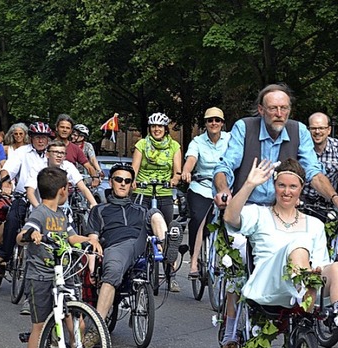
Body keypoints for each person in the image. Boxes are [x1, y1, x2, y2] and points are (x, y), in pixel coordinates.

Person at [218, 158, 338, 348]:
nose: (287, 192)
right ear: (274, 186)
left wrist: (317, 270)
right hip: (268, 283)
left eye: (292, 186)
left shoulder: (314, 225)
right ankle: (304, 298)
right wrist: (249, 184)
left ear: (301, 189)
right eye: (281, 185)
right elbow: (230, 218)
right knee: (297, 247)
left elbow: (321, 264)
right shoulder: (259, 214)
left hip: (305, 284)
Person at [213, 84, 338, 215]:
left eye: (284, 108)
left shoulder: (300, 131)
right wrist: (223, 190)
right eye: (273, 108)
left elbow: (313, 172)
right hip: (245, 207)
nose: (279, 114)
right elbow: (225, 166)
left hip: (282, 211)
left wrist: (337, 201)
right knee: (236, 241)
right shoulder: (244, 127)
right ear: (261, 110)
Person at [16, 166, 92, 348]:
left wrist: (88, 239)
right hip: (40, 276)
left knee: (75, 323)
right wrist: (30, 235)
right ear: (62, 190)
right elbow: (24, 234)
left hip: (62, 274)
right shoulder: (40, 214)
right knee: (38, 327)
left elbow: (71, 237)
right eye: (68, 187)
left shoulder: (61, 214)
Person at [85, 163, 183, 325]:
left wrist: (157, 243)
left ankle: (166, 246)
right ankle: (98, 329)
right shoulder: (100, 210)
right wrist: (92, 263)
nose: (123, 183)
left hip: (140, 243)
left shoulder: (140, 210)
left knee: (154, 213)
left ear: (132, 185)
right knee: (112, 273)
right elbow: (93, 239)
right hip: (115, 246)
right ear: (110, 182)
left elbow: (150, 230)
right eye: (118, 179)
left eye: (127, 181)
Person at [132, 112, 182, 292]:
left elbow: (177, 170)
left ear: (165, 128)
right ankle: (138, 269)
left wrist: (175, 180)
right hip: (143, 192)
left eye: (160, 126)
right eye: (153, 126)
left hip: (164, 191)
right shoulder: (142, 144)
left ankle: (172, 275)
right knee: (139, 230)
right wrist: (133, 180)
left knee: (168, 235)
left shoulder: (174, 146)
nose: (156, 129)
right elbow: (134, 168)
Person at [0, 122, 53, 267]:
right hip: (23, 196)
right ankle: (4, 255)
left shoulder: (52, 154)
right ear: (31, 138)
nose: (41, 141)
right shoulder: (22, 152)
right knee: (13, 219)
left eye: (44, 138)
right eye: (37, 137)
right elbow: (8, 170)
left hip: (47, 199)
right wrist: (6, 182)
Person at [181, 107, 230, 280]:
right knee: (199, 218)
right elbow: (191, 159)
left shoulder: (230, 140)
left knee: (233, 221)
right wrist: (186, 171)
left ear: (222, 123)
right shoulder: (197, 142)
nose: (214, 123)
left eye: (217, 120)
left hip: (225, 188)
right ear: (205, 124)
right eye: (210, 120)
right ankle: (194, 262)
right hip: (201, 186)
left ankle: (228, 260)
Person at [24, 140, 98, 210]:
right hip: (40, 208)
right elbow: (30, 192)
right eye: (55, 152)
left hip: (62, 210)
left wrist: (94, 204)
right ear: (47, 154)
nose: (59, 155)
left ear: (65, 156)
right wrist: (39, 209)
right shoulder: (37, 167)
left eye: (62, 153)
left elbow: (83, 187)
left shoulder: (68, 166)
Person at [71, 123, 102, 188]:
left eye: (75, 135)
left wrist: (99, 171)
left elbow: (93, 159)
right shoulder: (69, 145)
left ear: (82, 137)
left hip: (84, 175)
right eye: (72, 134)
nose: (72, 136)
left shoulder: (88, 146)